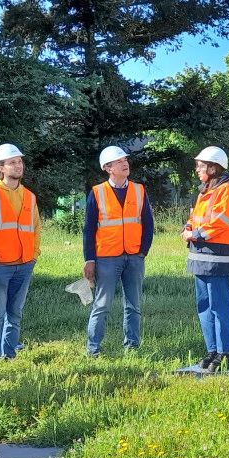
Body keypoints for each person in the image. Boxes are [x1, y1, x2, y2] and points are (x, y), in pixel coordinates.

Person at [83, 146, 153, 357]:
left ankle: (132, 346)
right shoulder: (97, 192)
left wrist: (142, 252)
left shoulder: (139, 190)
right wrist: (90, 260)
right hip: (106, 259)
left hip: (134, 257)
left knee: (133, 305)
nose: (125, 163)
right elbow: (89, 230)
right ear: (108, 168)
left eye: (125, 160)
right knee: (102, 305)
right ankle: (93, 349)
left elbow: (148, 224)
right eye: (119, 161)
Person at [0, 143, 41, 362]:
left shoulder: (29, 196)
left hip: (24, 265)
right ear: (0, 167)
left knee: (15, 315)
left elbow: (36, 228)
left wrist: (34, 255)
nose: (18, 165)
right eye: (12, 162)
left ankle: (9, 356)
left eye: (19, 161)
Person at [181, 147, 229, 373]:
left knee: (219, 305)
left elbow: (220, 221)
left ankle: (225, 352)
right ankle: (212, 350)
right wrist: (187, 228)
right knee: (204, 306)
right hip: (201, 256)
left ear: (213, 167)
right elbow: (194, 217)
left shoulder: (226, 190)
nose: (197, 169)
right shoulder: (204, 192)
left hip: (219, 256)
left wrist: (194, 234)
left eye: (201, 165)